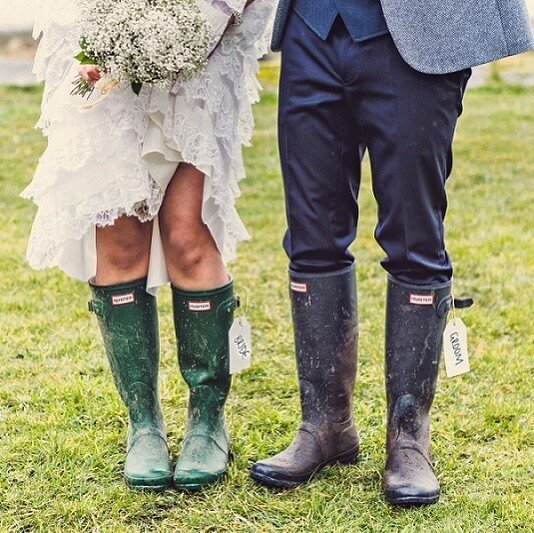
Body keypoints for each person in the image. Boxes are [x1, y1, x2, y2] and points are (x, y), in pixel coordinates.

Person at [250, 0, 534, 505]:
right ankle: (325, 426)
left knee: (413, 240)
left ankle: (408, 441)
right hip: (310, 30)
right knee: (311, 237)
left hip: (419, 32)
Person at [23, 0, 273, 492]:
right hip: (106, 40)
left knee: (187, 231)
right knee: (117, 229)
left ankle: (206, 421)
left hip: (202, 43)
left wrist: (201, 22)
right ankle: (144, 423)